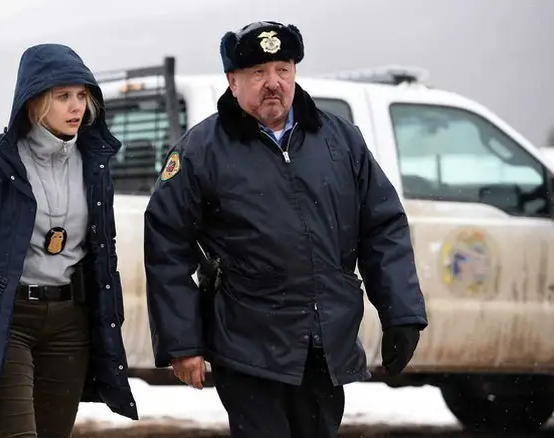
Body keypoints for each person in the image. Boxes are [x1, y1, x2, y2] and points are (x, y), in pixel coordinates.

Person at [143, 21, 428, 438]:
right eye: (258, 72)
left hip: (325, 345)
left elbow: (383, 227)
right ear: (232, 81)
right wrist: (182, 342)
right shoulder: (200, 151)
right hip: (247, 345)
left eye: (283, 69)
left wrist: (401, 313)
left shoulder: (341, 141)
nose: (273, 83)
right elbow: (166, 245)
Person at [0, 43, 139, 437]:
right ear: (35, 102)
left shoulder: (95, 164)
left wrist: (108, 312)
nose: (77, 107)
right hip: (6, 319)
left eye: (82, 96)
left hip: (69, 324)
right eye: (63, 96)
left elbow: (102, 250)